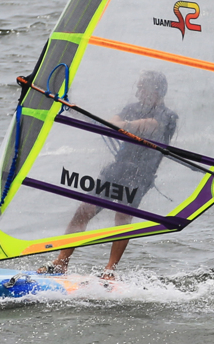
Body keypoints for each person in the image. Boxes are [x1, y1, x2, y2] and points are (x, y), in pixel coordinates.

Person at [40, 70, 177, 278]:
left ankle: (109, 271)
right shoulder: (132, 108)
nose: (138, 92)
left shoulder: (167, 116)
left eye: (142, 88)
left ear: (155, 90)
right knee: (83, 210)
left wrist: (120, 125)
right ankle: (61, 262)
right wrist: (80, 114)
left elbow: (146, 127)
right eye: (138, 87)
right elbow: (111, 122)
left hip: (140, 175)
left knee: (122, 217)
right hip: (118, 168)